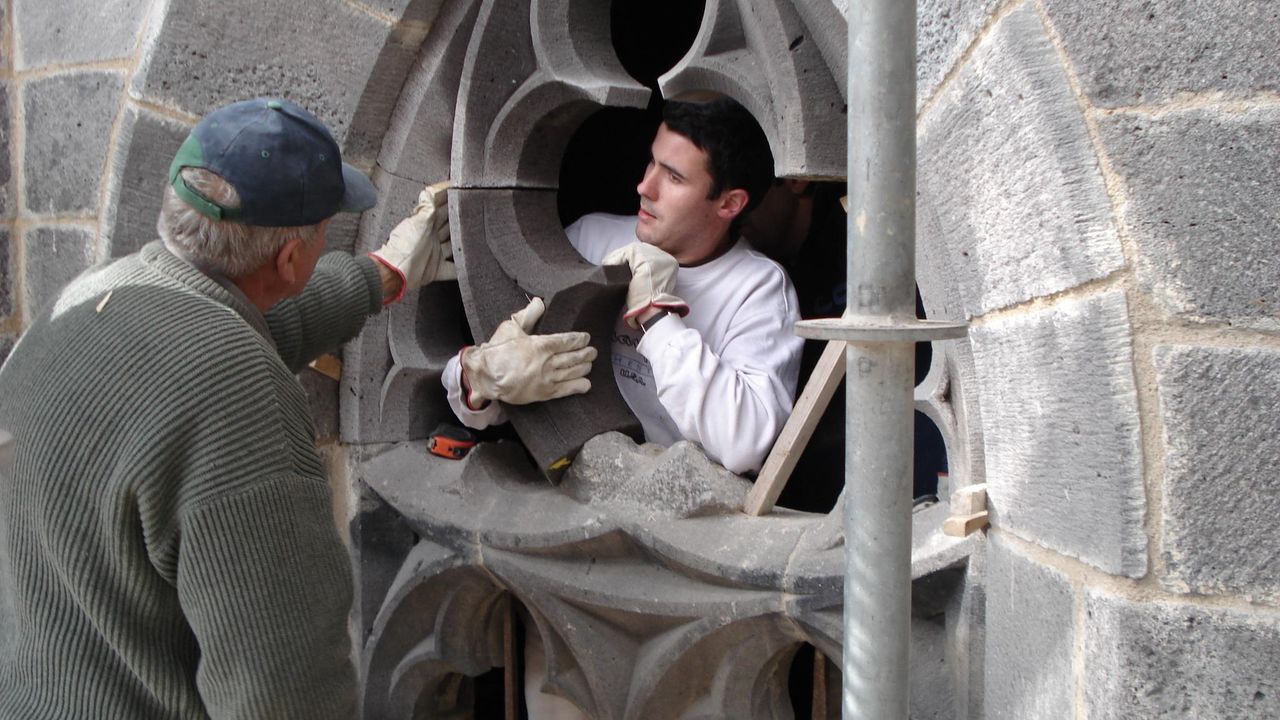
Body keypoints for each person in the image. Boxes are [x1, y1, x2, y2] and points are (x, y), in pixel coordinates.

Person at [0, 97, 504, 718]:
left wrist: (382, 275)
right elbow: (283, 688)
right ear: (289, 260)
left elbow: (233, 328)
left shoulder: (89, 297)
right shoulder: (233, 389)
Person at [444, 97, 804, 477]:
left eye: (674, 177)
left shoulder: (759, 290)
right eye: (652, 162)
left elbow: (744, 445)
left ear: (729, 204)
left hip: (661, 502)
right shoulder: (591, 239)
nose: (645, 186)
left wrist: (657, 316)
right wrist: (479, 379)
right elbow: (481, 391)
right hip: (552, 487)